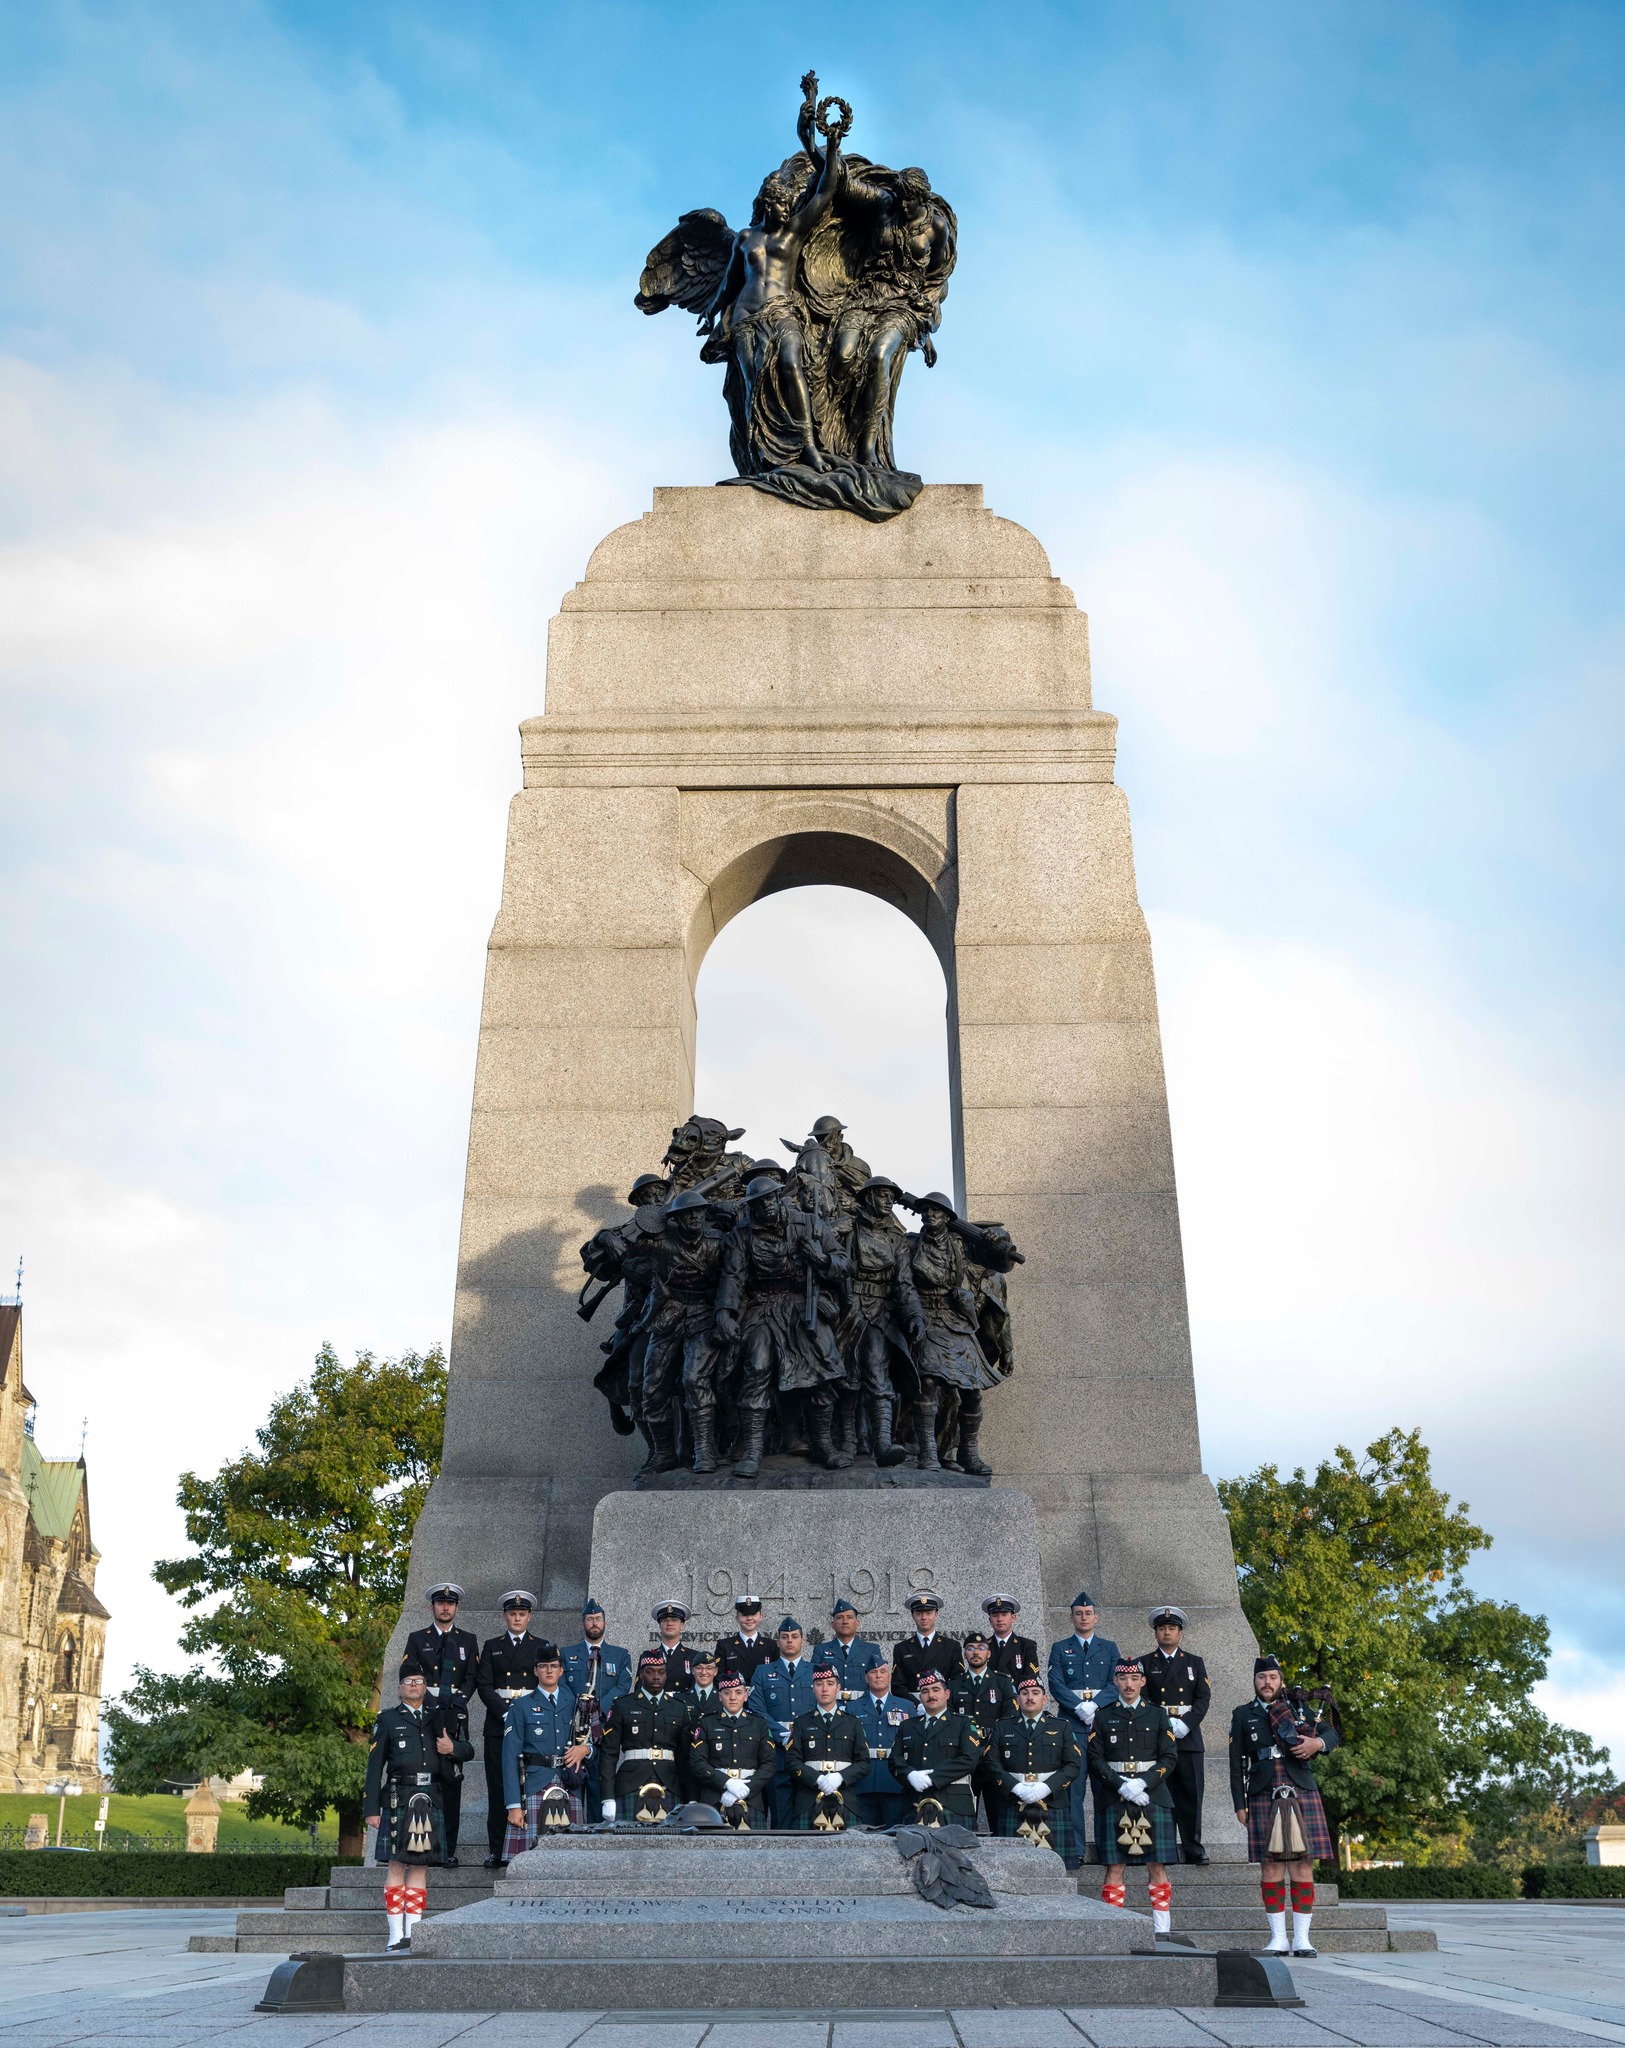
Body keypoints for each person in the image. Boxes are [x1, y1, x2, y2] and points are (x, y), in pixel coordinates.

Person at [715, 1174, 851, 1476]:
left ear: (779, 1198)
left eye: (771, 1198)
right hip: (763, 1306)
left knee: (823, 1369)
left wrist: (821, 1259)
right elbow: (733, 1277)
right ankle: (752, 1450)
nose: (768, 1206)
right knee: (757, 1366)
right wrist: (725, 1312)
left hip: (804, 1303)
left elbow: (843, 1263)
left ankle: (824, 1444)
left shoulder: (809, 1223)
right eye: (760, 1202)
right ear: (753, 1207)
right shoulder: (742, 1235)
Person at [1230, 1655, 1339, 1956]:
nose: (1267, 1683)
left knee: (1303, 1864)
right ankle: (1278, 1938)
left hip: (1300, 1788)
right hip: (1263, 1790)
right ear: (1255, 1681)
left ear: (1281, 1681)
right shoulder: (1242, 1714)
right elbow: (1235, 1763)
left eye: (1273, 1677)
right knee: (1271, 1864)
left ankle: (1303, 1939)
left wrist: (1317, 1744)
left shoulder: (1299, 1707)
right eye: (1262, 1677)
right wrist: (1240, 1803)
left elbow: (1332, 1733)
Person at [363, 1658, 472, 1952]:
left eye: (419, 1682)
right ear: (399, 1688)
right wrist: (371, 1808)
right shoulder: (387, 1719)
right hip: (399, 1794)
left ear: (426, 1687)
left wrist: (453, 1748)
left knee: (421, 1867)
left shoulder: (439, 1717)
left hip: (431, 1794)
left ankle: (413, 1932)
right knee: (397, 1864)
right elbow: (375, 1767)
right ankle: (394, 1934)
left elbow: (468, 1750)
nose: (414, 1686)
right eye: (408, 1682)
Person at [640, 1185, 732, 1473]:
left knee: (695, 1380)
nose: (695, 1217)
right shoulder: (659, 1241)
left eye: (699, 1212)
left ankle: (704, 1450)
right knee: (652, 1387)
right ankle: (664, 1453)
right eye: (688, 1213)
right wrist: (606, 1237)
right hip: (669, 1315)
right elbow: (614, 1250)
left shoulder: (719, 1241)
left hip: (704, 1314)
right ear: (676, 1218)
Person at [1090, 1656, 1179, 1937]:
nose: (1128, 1684)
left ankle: (1162, 1929)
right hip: (1114, 1796)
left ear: (1142, 1681)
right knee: (1115, 1865)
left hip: (1152, 1795)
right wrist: (1121, 1785)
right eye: (1123, 1679)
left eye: (1134, 1679)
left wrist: (1142, 1783)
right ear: (1115, 1681)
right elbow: (1095, 1758)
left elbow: (1169, 1756)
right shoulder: (1102, 1715)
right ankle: (1116, 1930)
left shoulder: (1158, 1714)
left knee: (1157, 1864)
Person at [840, 1174, 923, 1466]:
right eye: (883, 1195)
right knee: (844, 1376)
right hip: (847, 1310)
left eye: (892, 1196)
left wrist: (914, 1314)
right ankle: (848, 1443)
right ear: (868, 1197)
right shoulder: (847, 1228)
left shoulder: (896, 1239)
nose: (890, 1201)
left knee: (877, 1372)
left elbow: (904, 1283)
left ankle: (883, 1444)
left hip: (879, 1312)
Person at [403, 1582, 478, 1863]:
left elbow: (472, 1676)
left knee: (450, 1783)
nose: (445, 1607)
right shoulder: (417, 1638)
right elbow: (408, 1671)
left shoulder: (467, 1640)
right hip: (424, 1715)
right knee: (424, 1781)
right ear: (432, 1607)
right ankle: (423, 1846)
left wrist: (459, 1700)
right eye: (440, 1603)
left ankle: (447, 1851)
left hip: (453, 1715)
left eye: (450, 1603)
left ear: (456, 1608)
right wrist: (430, 1701)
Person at [1048, 1591, 1120, 1867]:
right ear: (1071, 1617)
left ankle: (1107, 1848)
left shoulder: (1109, 1647)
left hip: (1101, 1725)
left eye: (1088, 1613)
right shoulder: (1060, 1647)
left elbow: (1116, 1682)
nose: (1084, 1617)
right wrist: (1079, 1707)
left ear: (1096, 1617)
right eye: (1079, 1613)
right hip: (1072, 1724)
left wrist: (1096, 1706)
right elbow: (1055, 1683)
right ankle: (1076, 1848)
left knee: (1105, 1789)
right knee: (1073, 1791)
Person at [1137, 1605, 1212, 1865]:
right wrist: (1166, 1723)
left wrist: (1187, 1723)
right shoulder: (1145, 1663)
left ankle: (1193, 1847)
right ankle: (1165, 1848)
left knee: (1191, 1795)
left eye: (1171, 1628)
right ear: (1156, 1633)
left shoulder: (1194, 1662)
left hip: (1189, 1738)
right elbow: (1142, 1697)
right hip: (1160, 1737)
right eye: (1162, 1628)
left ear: (1180, 1634)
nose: (1166, 1632)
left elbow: (1203, 1698)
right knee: (1163, 1796)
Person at [501, 1643, 591, 1854]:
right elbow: (509, 1755)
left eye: (553, 1666)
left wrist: (586, 1750)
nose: (549, 1670)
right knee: (530, 1855)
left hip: (570, 1784)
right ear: (535, 1671)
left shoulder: (578, 1703)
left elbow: (594, 1741)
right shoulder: (521, 1706)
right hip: (534, 1784)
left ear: (561, 1670)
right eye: (543, 1666)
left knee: (573, 1856)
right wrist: (513, 1805)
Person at [475, 1591, 542, 1867]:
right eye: (512, 1613)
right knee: (499, 1787)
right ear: (505, 1616)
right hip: (499, 1724)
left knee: (531, 1787)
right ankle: (497, 1849)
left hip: (531, 1725)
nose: (517, 1617)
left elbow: (544, 1685)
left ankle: (530, 1845)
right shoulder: (492, 1646)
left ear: (529, 1616)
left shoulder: (541, 1646)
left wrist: (525, 1716)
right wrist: (507, 1714)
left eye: (522, 1614)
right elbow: (484, 1686)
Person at [989, 1673, 1081, 1860]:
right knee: (1010, 1866)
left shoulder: (1062, 1726)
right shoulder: (1002, 1727)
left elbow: (1073, 1764)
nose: (1030, 1697)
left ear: (1045, 1699)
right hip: (1013, 1801)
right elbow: (991, 1762)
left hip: (1052, 1803)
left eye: (1035, 1692)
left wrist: (1047, 1787)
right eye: (1024, 1693)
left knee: (1057, 1867)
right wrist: (1014, 1786)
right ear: (1017, 1699)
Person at [600, 1647, 691, 1825]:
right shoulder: (623, 1705)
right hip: (630, 1782)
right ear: (641, 1674)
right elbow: (608, 1754)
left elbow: (685, 1756)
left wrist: (691, 1797)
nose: (656, 1676)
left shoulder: (679, 1707)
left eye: (661, 1672)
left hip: (670, 1782)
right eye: (650, 1672)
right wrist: (607, 1797)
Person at [561, 1598, 632, 1823]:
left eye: (598, 1619)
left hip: (603, 1730)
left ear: (605, 1623)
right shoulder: (566, 1653)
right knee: (570, 1786)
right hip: (572, 1731)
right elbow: (560, 1685)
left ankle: (593, 1835)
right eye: (590, 1619)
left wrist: (597, 1706)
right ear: (583, 1623)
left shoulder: (620, 1655)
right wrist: (578, 1707)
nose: (594, 1623)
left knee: (597, 1789)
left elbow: (623, 1685)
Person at [747, 1616, 818, 1826]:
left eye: (794, 1637)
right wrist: (781, 1734)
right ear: (777, 1641)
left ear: (802, 1641)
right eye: (784, 1637)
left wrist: (803, 1734)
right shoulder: (763, 1672)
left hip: (808, 1751)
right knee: (780, 1813)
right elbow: (757, 1709)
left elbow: (823, 1703)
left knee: (809, 1813)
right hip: (776, 1752)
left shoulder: (815, 1671)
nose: (789, 1641)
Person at [889, 1667, 983, 1822]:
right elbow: (894, 1760)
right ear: (920, 1696)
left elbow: (969, 1759)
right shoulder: (907, 1726)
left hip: (954, 1805)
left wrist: (933, 1778)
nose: (931, 1695)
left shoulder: (964, 1723)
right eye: (925, 1691)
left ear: (947, 1694)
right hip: (914, 1803)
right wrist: (910, 1775)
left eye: (936, 1690)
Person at [686, 1668, 776, 1827]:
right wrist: (726, 1784)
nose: (733, 1697)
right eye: (727, 1693)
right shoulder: (706, 1723)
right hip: (714, 1800)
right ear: (719, 1696)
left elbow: (769, 1765)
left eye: (738, 1692)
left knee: (757, 1851)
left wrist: (746, 1788)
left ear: (746, 1695)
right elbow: (697, 1763)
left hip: (751, 1799)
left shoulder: (759, 1724)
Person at [787, 1663, 871, 1830]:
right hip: (808, 1799)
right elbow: (791, 1762)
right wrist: (816, 1779)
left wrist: (840, 1777)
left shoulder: (852, 1723)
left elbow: (864, 1764)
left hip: (845, 1800)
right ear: (813, 1688)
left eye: (830, 1683)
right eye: (819, 1684)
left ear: (838, 1687)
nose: (824, 1688)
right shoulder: (801, 1722)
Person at [952, 1629, 1015, 1833]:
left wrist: (992, 1748)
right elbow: (952, 1723)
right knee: (964, 1821)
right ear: (965, 1653)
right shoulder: (953, 1684)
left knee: (999, 1819)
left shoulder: (1002, 1682)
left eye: (981, 1648)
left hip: (994, 1758)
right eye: (970, 1648)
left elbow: (1008, 1720)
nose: (975, 1652)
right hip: (966, 1759)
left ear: (989, 1653)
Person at [849, 1657, 915, 1827]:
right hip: (864, 1781)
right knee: (863, 1838)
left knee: (895, 1835)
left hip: (895, 1781)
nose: (878, 1676)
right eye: (873, 1672)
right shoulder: (853, 1708)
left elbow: (913, 1744)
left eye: (883, 1672)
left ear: (890, 1677)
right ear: (866, 1677)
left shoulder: (907, 1706)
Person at [892, 1592, 963, 1700]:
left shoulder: (951, 1647)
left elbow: (957, 1682)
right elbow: (897, 1686)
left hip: (943, 1705)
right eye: (919, 1613)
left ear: (936, 1615)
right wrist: (916, 1704)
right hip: (913, 1706)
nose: (924, 1617)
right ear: (913, 1616)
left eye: (929, 1613)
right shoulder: (901, 1648)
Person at [812, 1599, 885, 1702]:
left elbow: (878, 1682)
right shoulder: (820, 1650)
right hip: (832, 1706)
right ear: (832, 1624)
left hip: (863, 1706)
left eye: (849, 1617)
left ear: (857, 1623)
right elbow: (814, 1681)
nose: (845, 1621)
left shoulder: (871, 1649)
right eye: (840, 1618)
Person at [716, 1593, 777, 1684]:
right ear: (737, 1618)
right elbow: (719, 1677)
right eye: (744, 1615)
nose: (749, 1618)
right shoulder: (724, 1646)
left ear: (761, 1617)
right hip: (735, 1696)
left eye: (754, 1614)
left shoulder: (771, 1646)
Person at [982, 1594, 1041, 1686]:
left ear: (1013, 1618)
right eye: (995, 1615)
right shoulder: (983, 1646)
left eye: (1004, 1614)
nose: (1000, 1619)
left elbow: (1030, 1678)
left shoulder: (1026, 1646)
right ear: (990, 1620)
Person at [652, 1600, 700, 1691]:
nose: (670, 1623)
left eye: (674, 1620)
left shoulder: (694, 1657)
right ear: (659, 1625)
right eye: (665, 1620)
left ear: (682, 1625)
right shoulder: (649, 1657)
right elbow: (640, 1689)